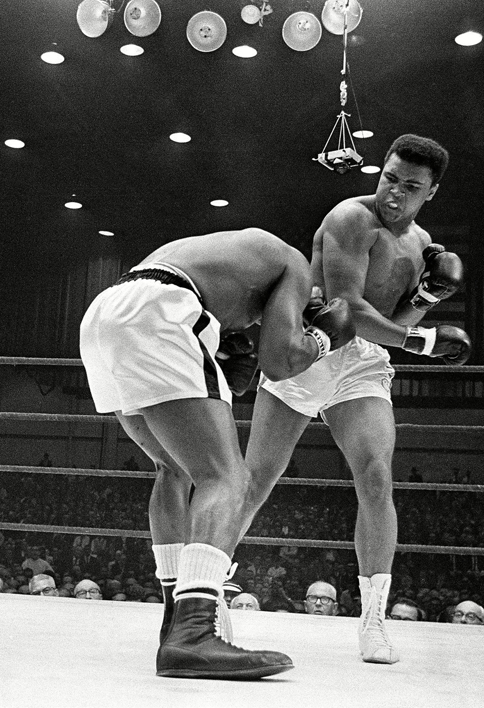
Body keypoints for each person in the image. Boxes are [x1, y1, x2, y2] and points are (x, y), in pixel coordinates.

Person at [79, 227, 356, 680]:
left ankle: (175, 618)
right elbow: (280, 361)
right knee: (227, 478)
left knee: (173, 469)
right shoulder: (296, 268)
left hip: (106, 313)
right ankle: (193, 632)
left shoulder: (228, 256)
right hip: (161, 311)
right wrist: (324, 339)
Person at [241, 134, 470, 665]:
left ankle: (373, 621)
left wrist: (427, 301)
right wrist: (424, 343)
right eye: (390, 178)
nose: (394, 194)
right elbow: (349, 309)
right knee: (255, 482)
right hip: (313, 346)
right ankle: (204, 598)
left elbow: (393, 322)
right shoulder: (350, 218)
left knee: (375, 474)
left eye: (410, 187)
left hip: (363, 363)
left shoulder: (422, 243)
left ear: (430, 192)